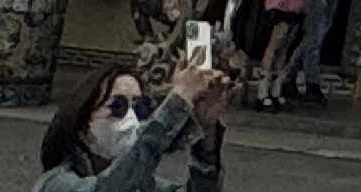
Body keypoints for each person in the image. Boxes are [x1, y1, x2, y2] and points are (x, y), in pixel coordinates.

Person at [34, 55, 229, 191]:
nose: (130, 118)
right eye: (117, 106)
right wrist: (177, 102)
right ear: (83, 124)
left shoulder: (143, 185)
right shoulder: (56, 183)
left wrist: (207, 131)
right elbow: (111, 187)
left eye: (139, 107)